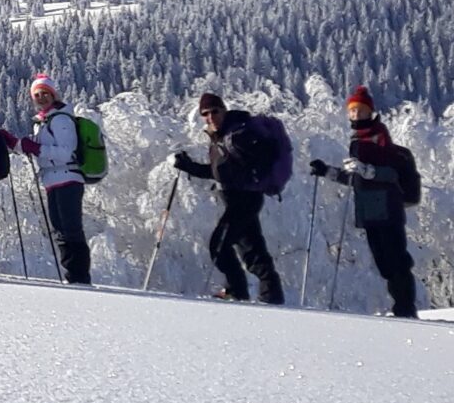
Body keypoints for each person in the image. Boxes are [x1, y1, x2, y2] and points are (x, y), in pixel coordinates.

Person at [307, 86, 418, 318]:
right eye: (352, 110)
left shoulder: (379, 138)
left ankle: (405, 309)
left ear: (370, 112)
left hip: (387, 209)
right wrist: (327, 171)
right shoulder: (358, 140)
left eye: (360, 110)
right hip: (370, 212)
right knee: (385, 264)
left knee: (396, 260)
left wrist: (367, 170)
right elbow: (356, 178)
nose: (356, 114)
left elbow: (390, 174)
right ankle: (403, 309)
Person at [172, 92, 287, 304]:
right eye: (205, 113)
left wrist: (246, 178)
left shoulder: (237, 136)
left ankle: (237, 291)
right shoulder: (223, 137)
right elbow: (219, 172)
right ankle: (271, 297)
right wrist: (189, 166)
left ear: (224, 110)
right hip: (240, 200)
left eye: (215, 111)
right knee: (253, 253)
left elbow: (245, 167)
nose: (210, 117)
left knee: (219, 246)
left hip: (244, 200)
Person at [13, 74, 92, 284]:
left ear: (53, 95)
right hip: (53, 180)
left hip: (68, 177)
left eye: (45, 93)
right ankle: (73, 275)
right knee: (60, 229)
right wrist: (15, 143)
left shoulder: (61, 119)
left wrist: (36, 148)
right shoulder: (43, 122)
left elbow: (66, 152)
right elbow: (37, 146)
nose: (41, 97)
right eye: (37, 95)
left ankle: (79, 276)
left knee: (70, 229)